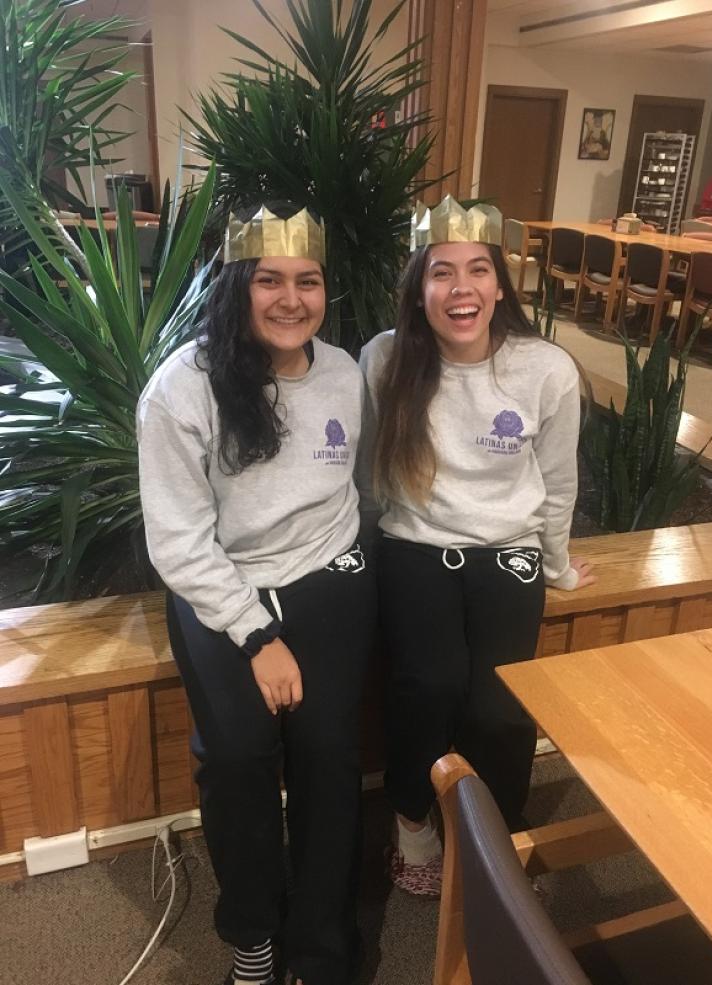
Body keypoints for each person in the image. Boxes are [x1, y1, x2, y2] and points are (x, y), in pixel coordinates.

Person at [137, 203, 374, 985]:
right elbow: (178, 540)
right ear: (235, 286)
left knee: (329, 757)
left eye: (307, 281)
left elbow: (357, 483)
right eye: (268, 279)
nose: (290, 298)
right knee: (237, 758)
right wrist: (255, 634)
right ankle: (252, 933)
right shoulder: (182, 389)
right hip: (223, 590)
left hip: (328, 578)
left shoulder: (342, 372)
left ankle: (319, 941)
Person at [359, 196, 595, 898]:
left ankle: (495, 829)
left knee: (498, 706)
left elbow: (556, 479)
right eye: (441, 272)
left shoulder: (544, 368)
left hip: (508, 552)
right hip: (413, 546)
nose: (460, 288)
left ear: (500, 284)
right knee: (425, 686)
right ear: (418, 288)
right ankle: (411, 819)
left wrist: (554, 564)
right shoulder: (384, 359)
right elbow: (369, 474)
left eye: (477, 270)